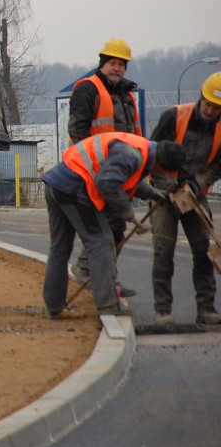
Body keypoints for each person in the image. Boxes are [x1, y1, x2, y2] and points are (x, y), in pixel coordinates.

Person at [42, 132, 186, 318]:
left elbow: (125, 177)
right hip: (74, 187)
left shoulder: (139, 149)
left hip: (56, 183)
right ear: (160, 164)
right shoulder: (132, 155)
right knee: (101, 242)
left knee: (59, 248)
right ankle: (108, 306)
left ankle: (53, 307)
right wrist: (128, 212)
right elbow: (107, 182)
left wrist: (152, 193)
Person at [69, 38, 142, 296]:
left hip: (119, 173)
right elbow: (78, 132)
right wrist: (93, 169)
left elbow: (136, 135)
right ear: (102, 64)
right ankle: (92, 274)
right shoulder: (88, 89)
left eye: (122, 64)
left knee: (115, 228)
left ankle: (105, 278)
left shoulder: (126, 96)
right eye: (112, 63)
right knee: (103, 229)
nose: (118, 68)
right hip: (93, 172)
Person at [148, 73, 221, 325]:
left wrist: (197, 184)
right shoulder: (174, 116)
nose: (210, 111)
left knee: (204, 251)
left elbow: (218, 166)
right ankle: (162, 310)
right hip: (164, 191)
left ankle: (206, 308)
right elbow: (151, 153)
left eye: (216, 108)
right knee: (163, 250)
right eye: (207, 104)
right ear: (201, 97)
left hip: (196, 194)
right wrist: (167, 186)